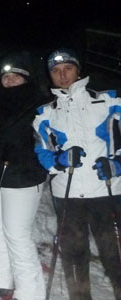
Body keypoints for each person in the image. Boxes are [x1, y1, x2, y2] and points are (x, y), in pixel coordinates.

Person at [33, 48, 121, 300]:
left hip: (108, 189)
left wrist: (118, 164)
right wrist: (58, 161)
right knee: (74, 254)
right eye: (56, 71)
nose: (62, 75)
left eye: (67, 68)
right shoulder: (45, 113)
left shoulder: (109, 100)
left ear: (78, 70)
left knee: (113, 254)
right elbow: (42, 151)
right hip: (68, 193)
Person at [0, 53, 47, 299]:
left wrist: (24, 150)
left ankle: (29, 292)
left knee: (17, 234)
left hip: (22, 178)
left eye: (16, 76)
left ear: (27, 80)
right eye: (6, 76)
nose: (10, 80)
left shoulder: (39, 105)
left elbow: (47, 141)